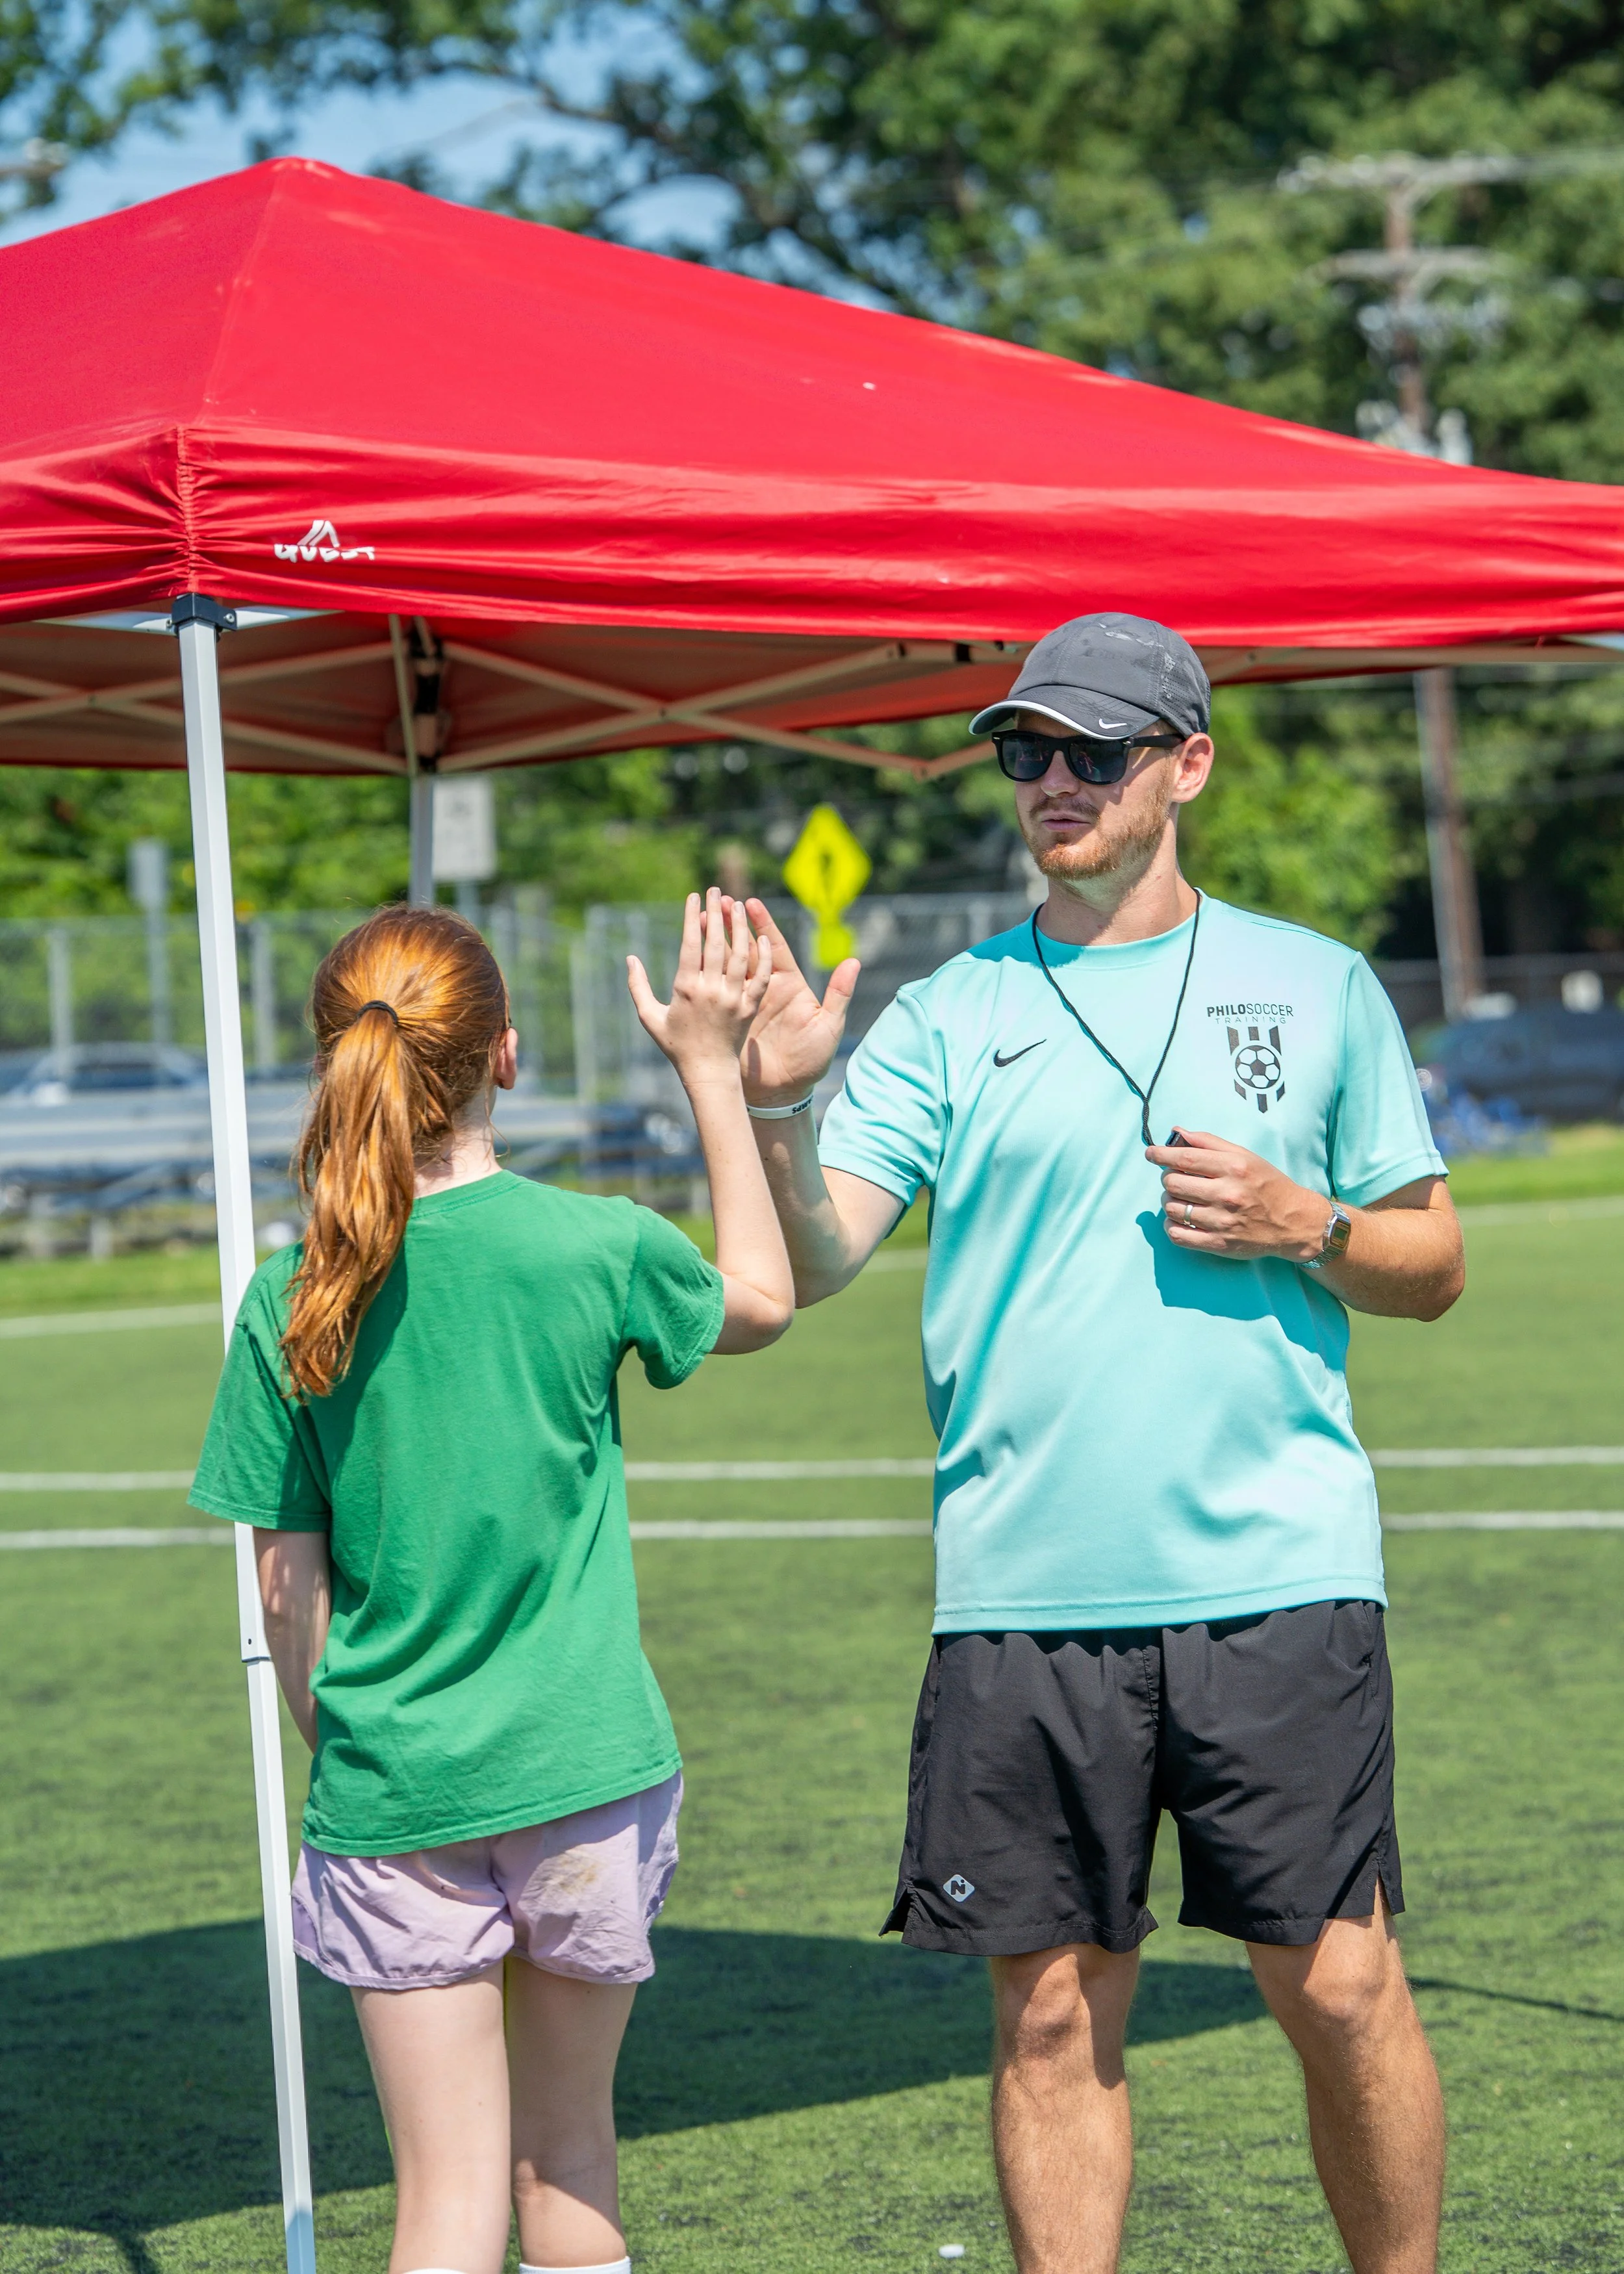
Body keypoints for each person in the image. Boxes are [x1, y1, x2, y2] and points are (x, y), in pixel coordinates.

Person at [737, 612, 1464, 2274]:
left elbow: (1429, 1266)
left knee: (1339, 1987)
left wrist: (1307, 1222)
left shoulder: (1315, 982)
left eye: (1091, 751)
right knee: (1052, 2024)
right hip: (1021, 1594)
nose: (1049, 782)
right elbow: (821, 1252)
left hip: (1275, 1576)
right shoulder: (946, 1011)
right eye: (1022, 751)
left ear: (1185, 766)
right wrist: (780, 1099)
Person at [188, 892, 791, 2274]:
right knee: (567, 2163)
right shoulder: (593, 1242)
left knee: (442, 2206)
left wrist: (347, 1746)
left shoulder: (290, 1289)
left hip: (394, 1790)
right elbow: (759, 1293)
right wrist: (710, 1066)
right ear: (504, 1055)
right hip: (586, 1767)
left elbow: (287, 1594)